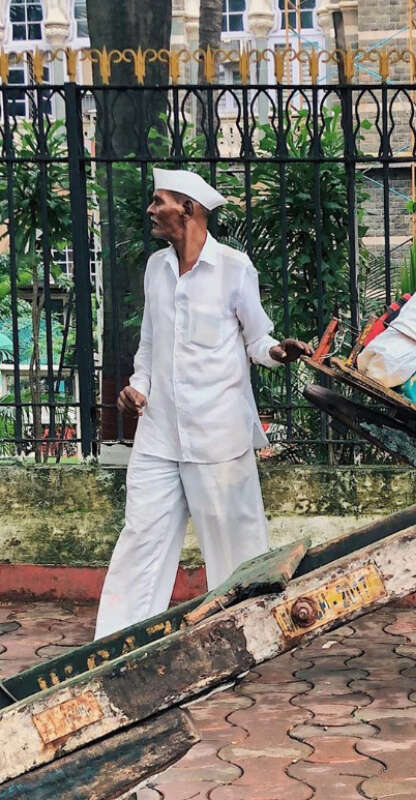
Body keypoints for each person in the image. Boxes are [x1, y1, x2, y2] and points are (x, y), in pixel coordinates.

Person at [94, 168, 313, 639]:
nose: (152, 211)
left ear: (188, 209)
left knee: (236, 547)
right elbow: (149, 347)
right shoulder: (157, 269)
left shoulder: (234, 267)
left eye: (160, 202)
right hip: (159, 432)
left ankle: (252, 637)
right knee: (141, 538)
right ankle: (116, 642)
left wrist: (277, 352)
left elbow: (257, 340)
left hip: (219, 435)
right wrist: (138, 387)